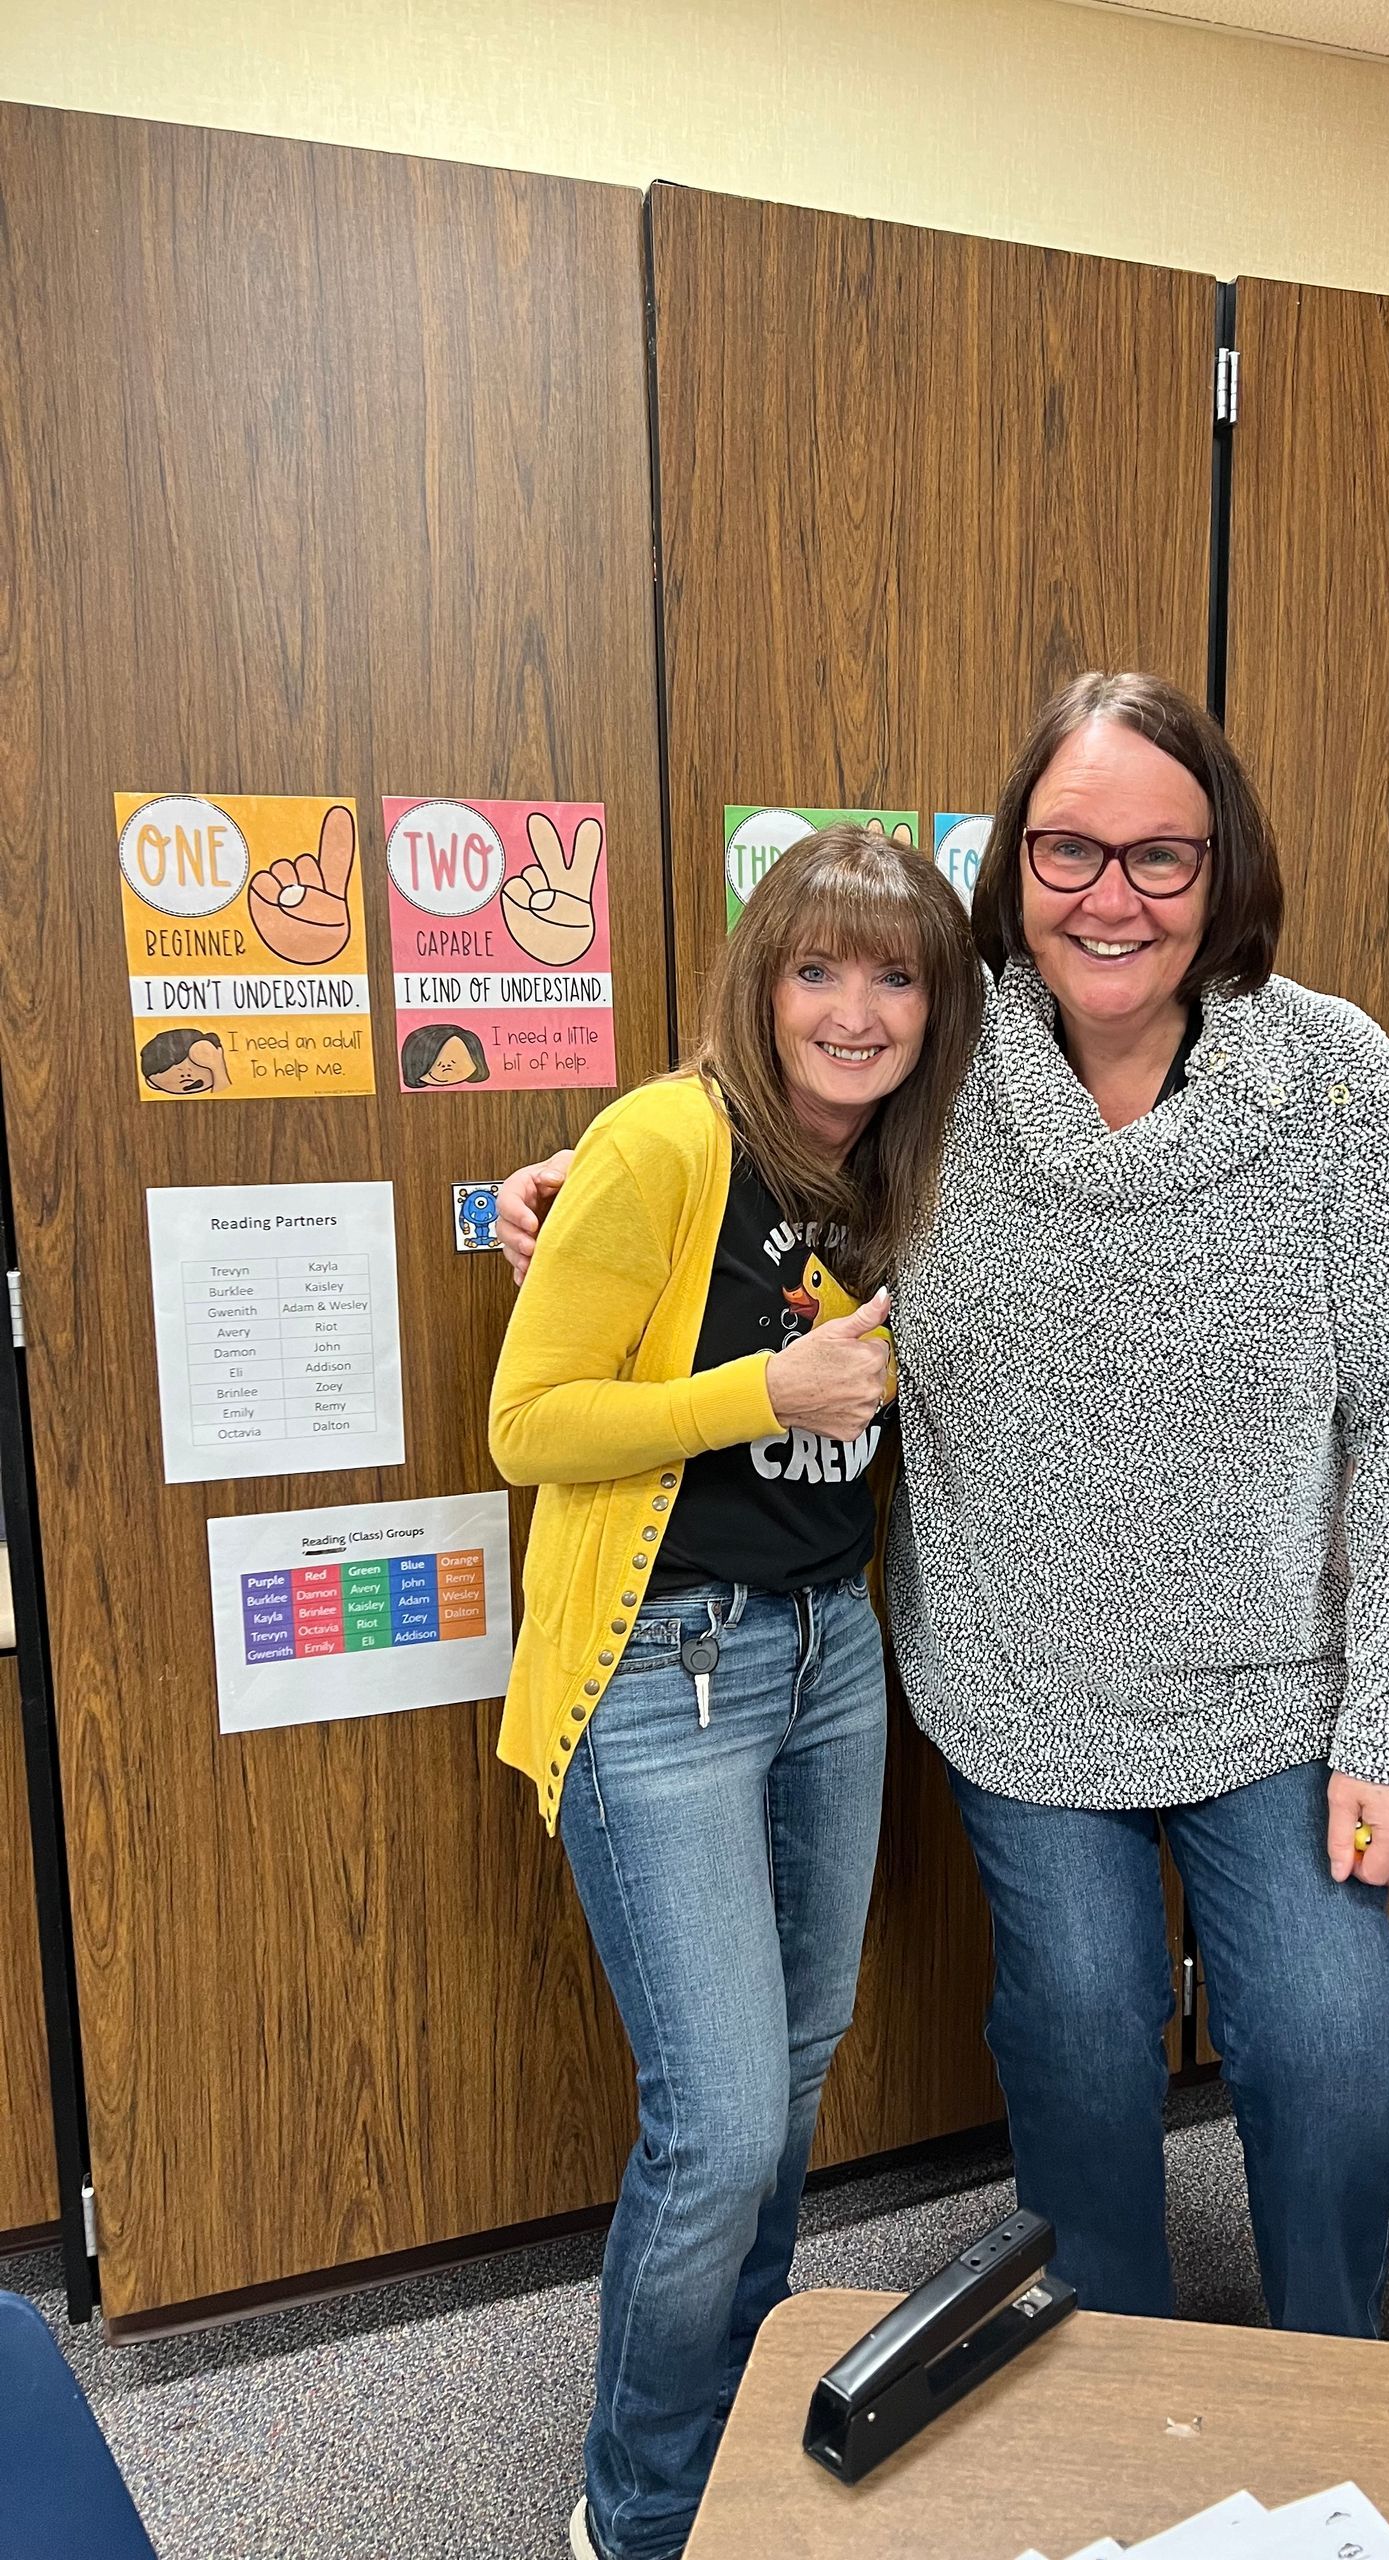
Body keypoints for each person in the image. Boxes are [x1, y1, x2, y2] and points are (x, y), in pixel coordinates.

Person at [497, 672, 1389, 2348]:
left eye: (1160, 857)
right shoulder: (950, 1066)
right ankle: (1108, 2379)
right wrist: (584, 1183)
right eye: (1069, 849)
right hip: (1017, 1692)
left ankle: (1337, 2386)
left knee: (1328, 2049)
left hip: (1277, 1698)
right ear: (1015, 866)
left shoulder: (1338, 1088)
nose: (1113, 895)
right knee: (1079, 2042)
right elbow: (770, 1117)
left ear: (1222, 867)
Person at [488, 824, 981, 2560]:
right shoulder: (660, 1140)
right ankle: (639, 2514)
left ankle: (741, 2442)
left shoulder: (911, 1162)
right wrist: (761, 1384)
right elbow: (528, 1424)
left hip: (829, 1655)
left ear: (940, 1007)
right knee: (715, 2126)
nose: (854, 1012)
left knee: (792, 2074)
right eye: (816, 970)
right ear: (760, 982)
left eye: (896, 976)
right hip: (662, 1670)